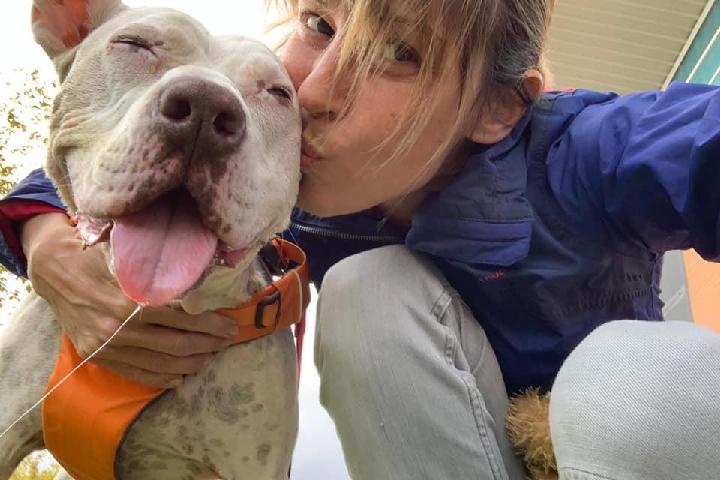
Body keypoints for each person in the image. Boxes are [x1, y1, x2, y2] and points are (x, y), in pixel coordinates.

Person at [2, 0, 720, 479]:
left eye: (398, 52)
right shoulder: (297, 188)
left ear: (498, 107)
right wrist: (44, 240)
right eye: (318, 22)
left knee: (627, 375)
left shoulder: (587, 152)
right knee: (369, 288)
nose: (315, 90)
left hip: (629, 446)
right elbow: (125, 145)